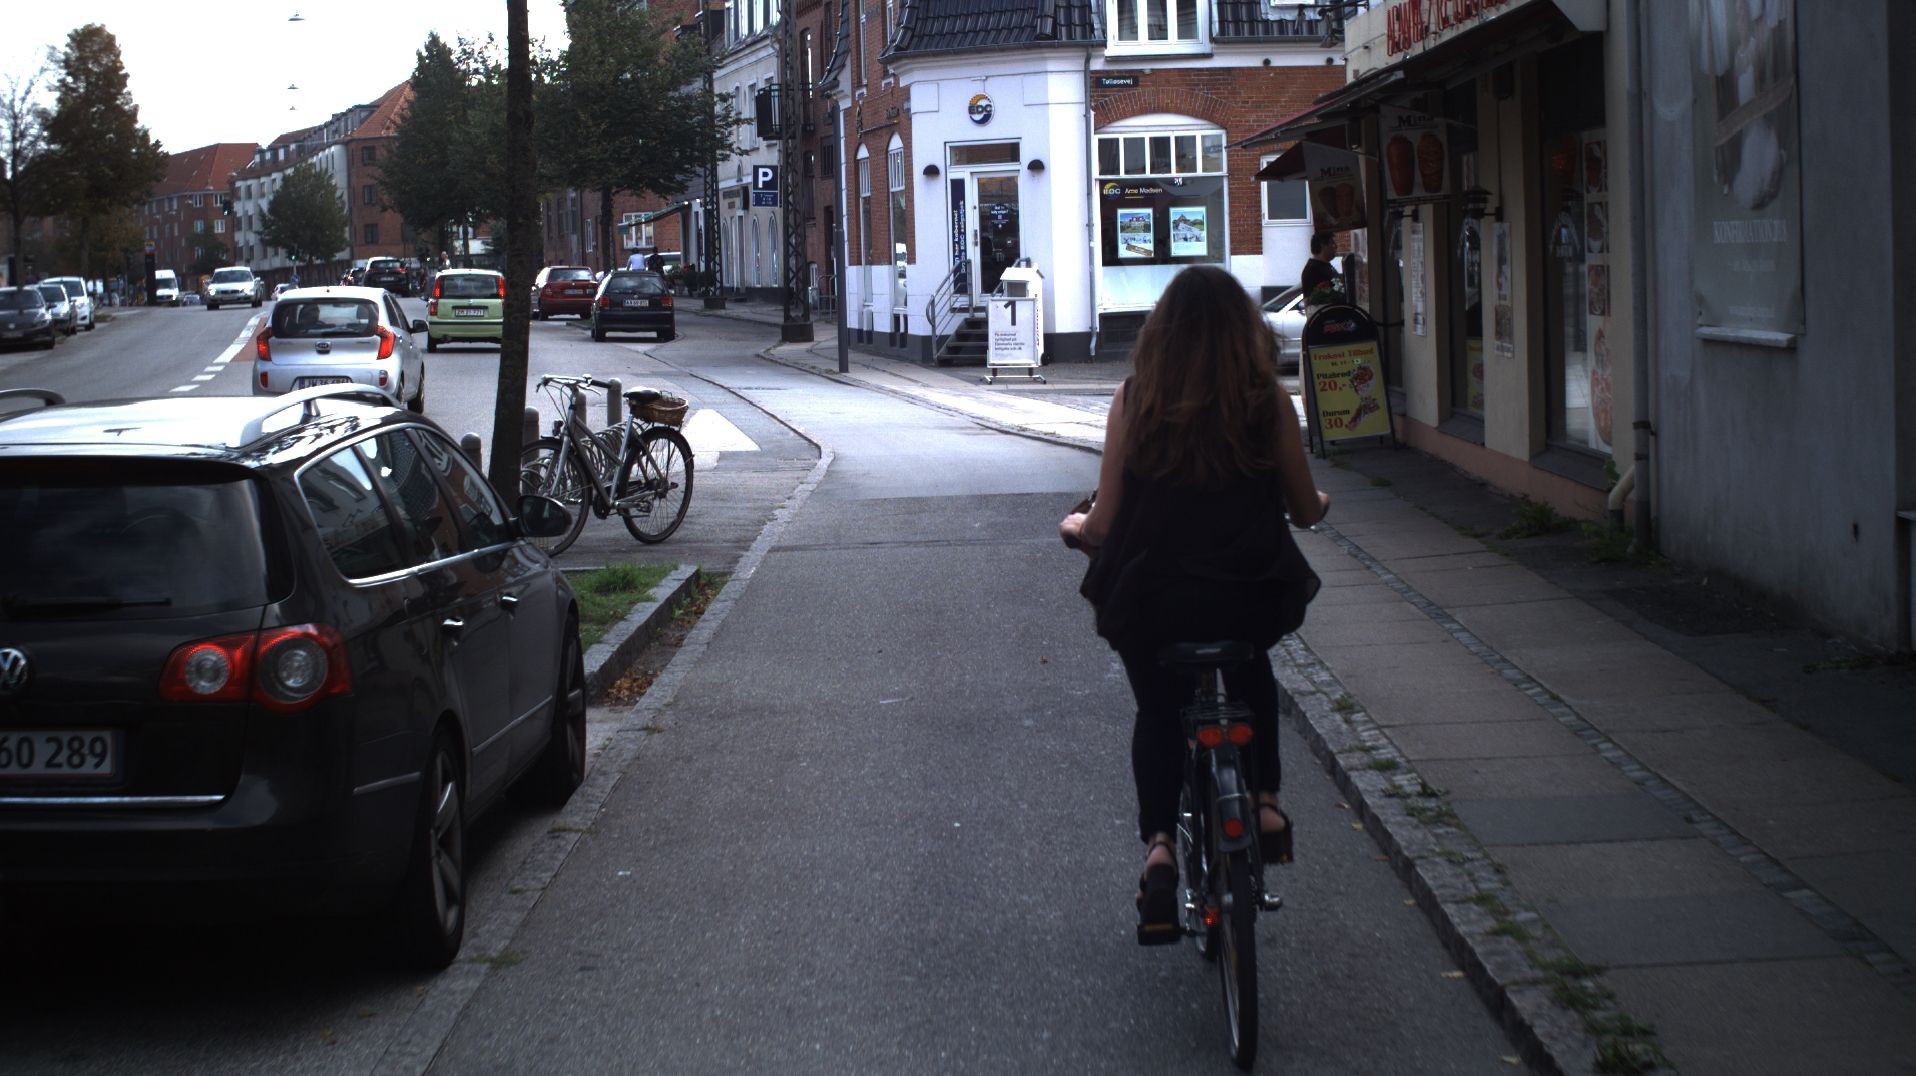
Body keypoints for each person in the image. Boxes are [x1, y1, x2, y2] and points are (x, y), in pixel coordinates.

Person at [1060, 265, 1329, 941]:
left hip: (1157, 601)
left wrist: (1075, 526)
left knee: (1159, 709)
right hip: (1246, 593)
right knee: (1251, 669)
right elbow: (1305, 508)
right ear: (1245, 333)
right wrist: (1318, 501)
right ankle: (1265, 804)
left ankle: (1159, 850)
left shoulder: (1135, 400)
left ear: (1162, 333)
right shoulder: (1268, 402)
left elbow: (1104, 525)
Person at [1301, 232, 1341, 307]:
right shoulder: (1312, 270)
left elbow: (1338, 287)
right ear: (1323, 245)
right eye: (1332, 243)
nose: (1336, 246)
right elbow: (1311, 303)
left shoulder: (1327, 266)